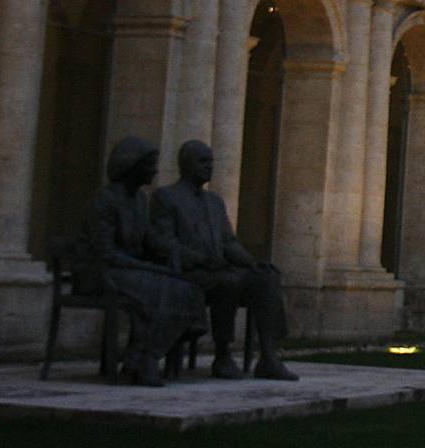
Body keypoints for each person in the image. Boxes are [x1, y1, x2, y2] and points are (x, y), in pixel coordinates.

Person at [148, 139, 299, 381]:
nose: (209, 167)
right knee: (227, 283)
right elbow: (163, 243)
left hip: (219, 270)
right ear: (186, 164)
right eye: (203, 162)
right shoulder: (166, 197)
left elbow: (229, 242)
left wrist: (251, 262)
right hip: (188, 274)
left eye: (211, 162)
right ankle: (223, 354)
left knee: (267, 277)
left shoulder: (214, 202)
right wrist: (202, 260)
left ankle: (270, 356)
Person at [74, 136, 207, 387]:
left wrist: (174, 252)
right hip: (101, 273)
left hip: (127, 271)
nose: (155, 171)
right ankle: (144, 360)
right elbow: (104, 252)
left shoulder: (138, 200)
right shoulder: (105, 200)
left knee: (186, 288)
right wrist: (146, 267)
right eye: (149, 165)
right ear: (132, 166)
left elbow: (148, 239)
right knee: (163, 290)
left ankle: (142, 357)